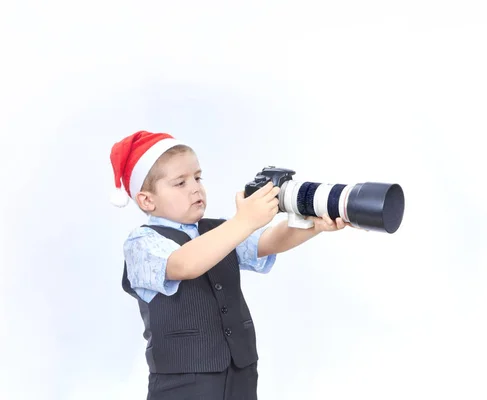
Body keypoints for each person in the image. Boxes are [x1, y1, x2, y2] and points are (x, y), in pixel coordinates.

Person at [109, 130, 352, 400]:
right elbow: (185, 263)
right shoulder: (142, 243)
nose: (195, 188)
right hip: (183, 381)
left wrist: (312, 225)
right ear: (146, 200)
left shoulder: (221, 230)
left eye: (198, 177)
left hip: (241, 370)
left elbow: (268, 241)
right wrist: (244, 220)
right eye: (180, 183)